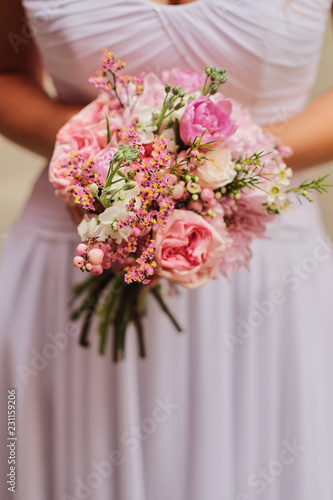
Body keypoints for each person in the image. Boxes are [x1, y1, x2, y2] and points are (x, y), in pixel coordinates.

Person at [1, 0, 333, 499]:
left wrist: (217, 161)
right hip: (70, 255)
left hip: (266, 278)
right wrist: (94, 148)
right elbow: (7, 72)